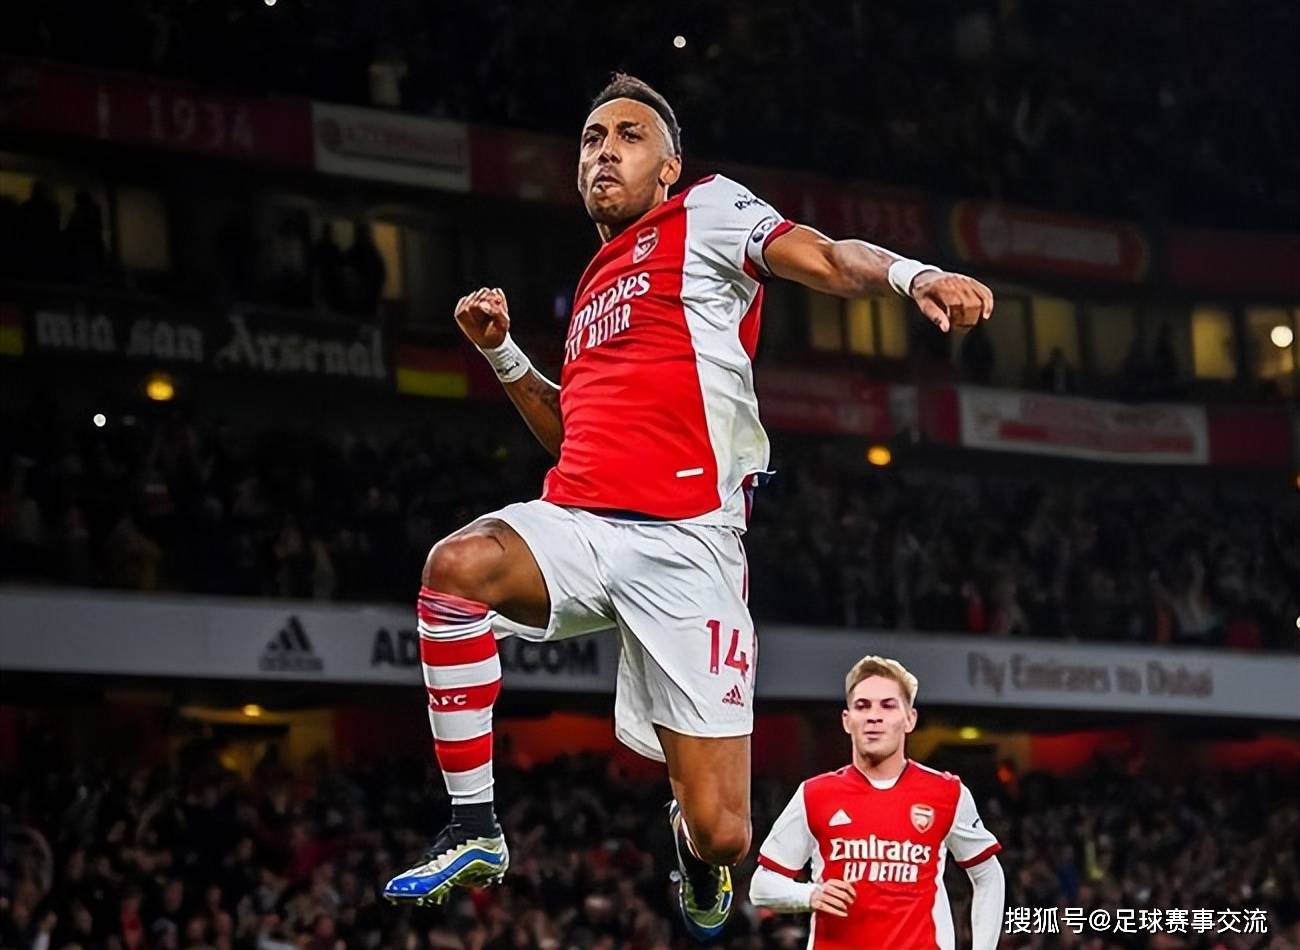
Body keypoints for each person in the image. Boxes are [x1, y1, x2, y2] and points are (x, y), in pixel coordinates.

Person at [382, 73, 995, 939]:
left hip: (690, 545)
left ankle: (693, 847)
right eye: (592, 140)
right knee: (455, 567)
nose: (604, 152)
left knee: (725, 832)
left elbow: (825, 256)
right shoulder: (593, 288)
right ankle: (475, 826)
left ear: (669, 167)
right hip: (584, 522)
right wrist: (504, 355)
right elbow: (572, 437)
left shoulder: (707, 211)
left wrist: (912, 274)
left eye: (628, 137)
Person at [749, 656, 1005, 949]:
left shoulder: (947, 792)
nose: (874, 716)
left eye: (888, 705)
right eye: (862, 706)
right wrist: (810, 894)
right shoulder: (815, 794)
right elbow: (761, 886)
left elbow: (988, 874)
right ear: (847, 721)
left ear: (910, 719)